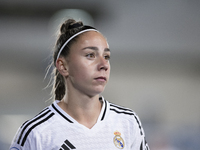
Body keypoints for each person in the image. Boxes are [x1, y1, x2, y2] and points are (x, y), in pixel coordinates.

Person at [10, 19, 150, 150]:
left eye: (106, 56)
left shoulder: (127, 122)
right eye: (90, 55)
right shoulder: (37, 132)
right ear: (63, 66)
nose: (103, 65)